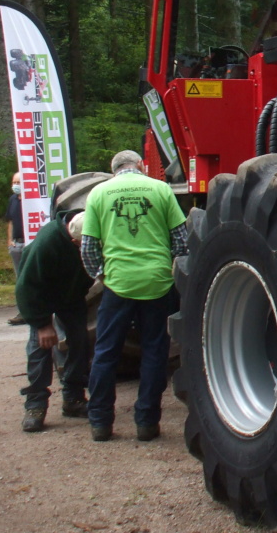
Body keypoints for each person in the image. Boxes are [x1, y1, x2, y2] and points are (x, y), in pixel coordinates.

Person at [81, 150, 187, 442]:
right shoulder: (161, 189)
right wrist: (168, 270)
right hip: (157, 283)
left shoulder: (99, 193)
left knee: (105, 353)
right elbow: (181, 240)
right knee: (154, 353)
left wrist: (104, 277)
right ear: (141, 166)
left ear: (113, 169)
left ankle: (101, 424)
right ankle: (146, 424)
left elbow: (88, 247)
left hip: (118, 284)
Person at [15, 210, 93, 432]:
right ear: (72, 239)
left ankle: (73, 399)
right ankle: (35, 405)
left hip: (72, 295)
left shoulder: (91, 232)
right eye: (81, 246)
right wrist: (42, 324)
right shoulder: (47, 244)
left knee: (80, 343)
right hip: (41, 296)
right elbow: (25, 288)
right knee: (40, 347)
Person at [6, 171, 27, 325]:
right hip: (16, 244)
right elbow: (10, 221)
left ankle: (34, 310)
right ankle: (22, 312)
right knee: (19, 280)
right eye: (14, 182)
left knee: (30, 278)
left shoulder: (30, 201)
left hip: (29, 244)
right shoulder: (12, 199)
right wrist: (9, 240)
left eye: (19, 182)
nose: (16, 185)